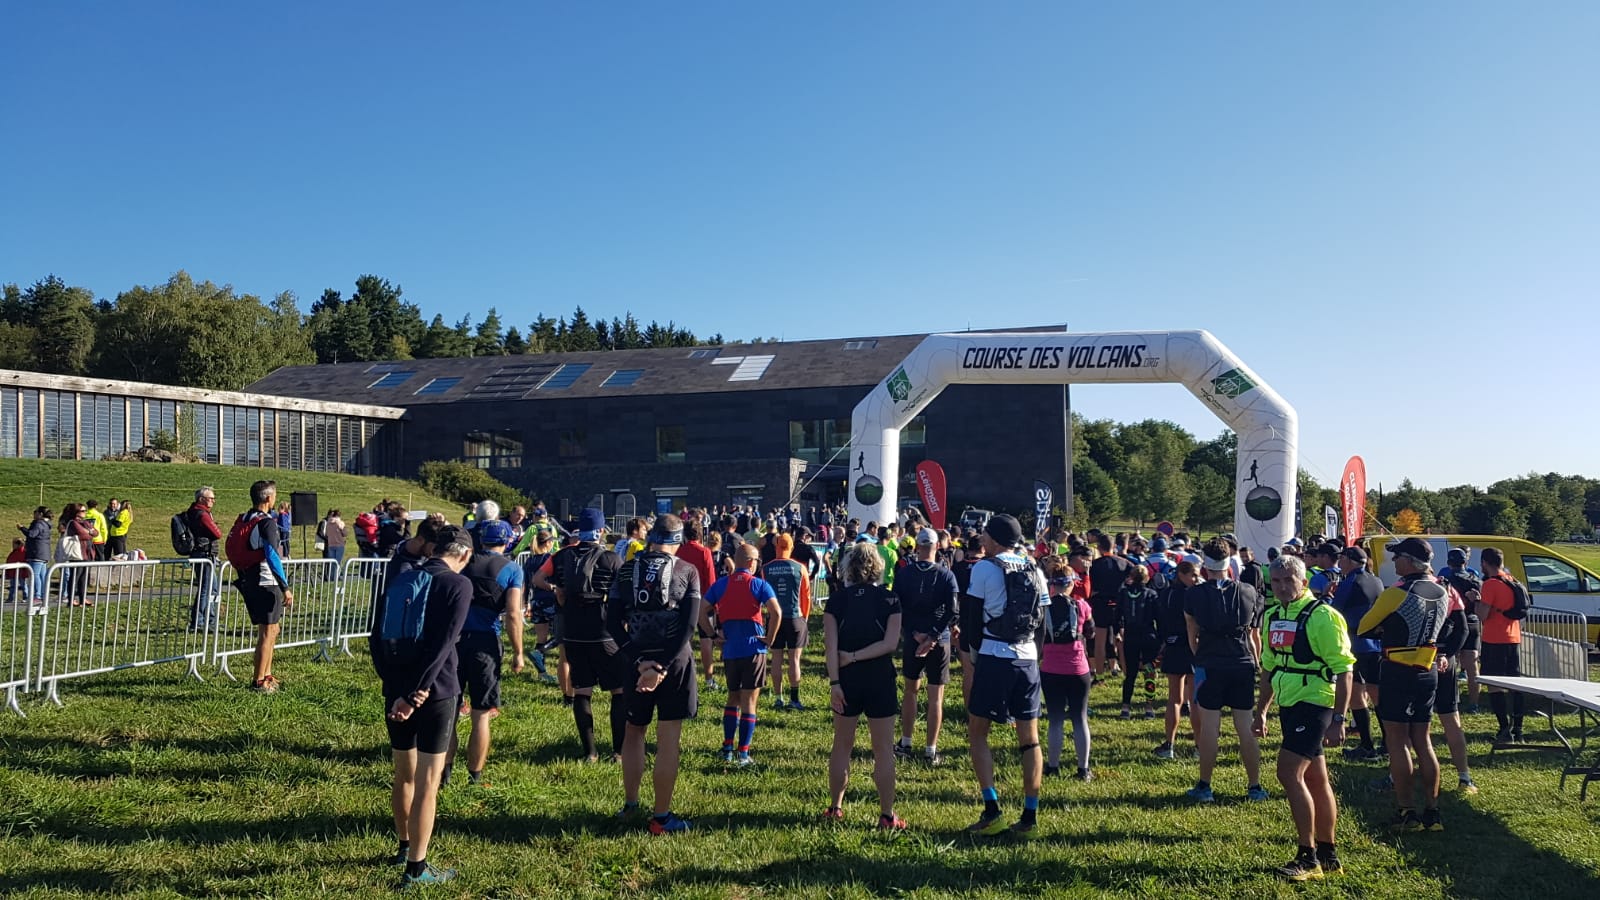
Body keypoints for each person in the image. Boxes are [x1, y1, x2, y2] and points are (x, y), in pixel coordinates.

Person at [372, 524, 474, 888]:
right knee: (429, 782)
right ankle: (417, 868)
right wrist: (417, 692)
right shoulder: (458, 585)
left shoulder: (403, 577)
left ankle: (403, 845)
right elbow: (444, 646)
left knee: (404, 772)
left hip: (396, 688)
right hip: (437, 691)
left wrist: (396, 689)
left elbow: (376, 635)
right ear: (462, 554)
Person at [1252, 555, 1356, 881]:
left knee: (1288, 774)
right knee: (1316, 779)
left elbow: (1344, 669)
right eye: (1277, 582)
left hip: (1316, 703)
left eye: (1288, 580)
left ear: (1304, 582)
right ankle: (1327, 854)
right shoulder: (1272, 616)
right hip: (1290, 703)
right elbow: (1270, 667)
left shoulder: (1323, 616)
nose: (1282, 587)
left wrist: (1340, 718)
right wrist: (1262, 710)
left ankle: (1307, 857)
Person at [1358, 536, 1466, 833]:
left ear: (1409, 561)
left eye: (1397, 558)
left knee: (1397, 740)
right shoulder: (1445, 588)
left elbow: (1365, 626)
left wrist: (1386, 626)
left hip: (1398, 668)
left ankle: (1407, 812)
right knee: (1423, 740)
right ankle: (1433, 812)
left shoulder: (1398, 591)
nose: (1394, 563)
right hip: (1428, 667)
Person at [608, 514, 702, 834]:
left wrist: (639, 663)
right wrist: (660, 666)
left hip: (635, 660)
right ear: (678, 541)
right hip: (673, 663)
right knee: (668, 738)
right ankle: (661, 817)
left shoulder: (625, 570)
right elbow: (688, 627)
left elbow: (611, 623)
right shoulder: (687, 570)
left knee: (634, 731)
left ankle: (631, 804)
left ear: (650, 538)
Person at [964, 514, 1048, 837]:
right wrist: (1034, 657)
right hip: (1027, 659)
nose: (981, 540)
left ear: (996, 540)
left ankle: (992, 810)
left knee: (978, 732)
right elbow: (1042, 622)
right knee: (1030, 740)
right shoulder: (1034, 568)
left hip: (993, 654)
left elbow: (972, 619)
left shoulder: (983, 568)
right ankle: (1029, 817)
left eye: (985, 535)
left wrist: (973, 658)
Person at [823, 543, 906, 829]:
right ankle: (886, 815)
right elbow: (890, 644)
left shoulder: (836, 601)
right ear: (878, 568)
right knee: (883, 749)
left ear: (849, 568)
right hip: (880, 678)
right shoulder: (890, 600)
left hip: (846, 679)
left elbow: (830, 646)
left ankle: (835, 807)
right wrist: (858, 656)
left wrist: (835, 680)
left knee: (841, 746)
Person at [534, 509, 627, 762]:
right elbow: (624, 594)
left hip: (573, 631)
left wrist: (556, 588)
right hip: (604, 631)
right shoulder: (611, 558)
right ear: (599, 531)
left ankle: (590, 752)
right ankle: (618, 752)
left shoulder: (562, 556)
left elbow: (537, 578)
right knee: (618, 691)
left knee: (582, 691)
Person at [1183, 537, 1267, 803]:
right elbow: (1255, 635)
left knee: (1210, 727)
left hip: (1210, 663)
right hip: (1242, 662)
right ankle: (1254, 786)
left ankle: (1205, 786)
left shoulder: (1193, 594)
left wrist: (1202, 657)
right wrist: (1256, 661)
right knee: (1245, 727)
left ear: (1204, 565)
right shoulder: (1249, 591)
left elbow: (1191, 633)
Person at [444, 519, 525, 787]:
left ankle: (442, 774)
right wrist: (518, 652)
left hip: (453, 641)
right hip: (485, 644)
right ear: (507, 541)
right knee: (481, 714)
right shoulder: (512, 569)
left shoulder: (464, 561)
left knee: (450, 710)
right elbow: (513, 613)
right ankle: (474, 778)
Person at [701, 543, 781, 765]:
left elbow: (701, 611)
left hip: (731, 650)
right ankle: (743, 753)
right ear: (751, 562)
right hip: (754, 649)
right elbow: (776, 612)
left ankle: (727, 747)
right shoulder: (759, 585)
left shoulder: (721, 585)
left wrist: (712, 635)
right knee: (750, 701)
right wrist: (770, 639)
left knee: (732, 697)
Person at [894, 528, 959, 766]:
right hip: (939, 639)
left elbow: (897, 607)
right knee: (936, 697)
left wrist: (914, 633)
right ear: (937, 547)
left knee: (911, 690)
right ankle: (931, 750)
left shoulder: (904, 574)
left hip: (914, 636)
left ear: (917, 547)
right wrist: (932, 636)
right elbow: (953, 611)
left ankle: (906, 741)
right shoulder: (946, 575)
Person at [227, 480, 295, 694]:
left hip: (250, 578)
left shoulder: (246, 518)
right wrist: (285, 586)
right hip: (266, 581)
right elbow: (273, 556)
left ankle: (267, 674)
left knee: (273, 629)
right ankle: (258, 681)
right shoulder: (266, 523)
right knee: (267, 632)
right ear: (268, 498)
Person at [1039, 555, 1095, 779]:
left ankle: (1053, 766)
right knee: (1080, 718)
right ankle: (1083, 769)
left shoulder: (1044, 607)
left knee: (1055, 720)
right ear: (1071, 584)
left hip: (1051, 668)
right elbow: (1090, 632)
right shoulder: (1082, 605)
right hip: (1078, 668)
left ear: (1051, 584)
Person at [1331, 545, 1385, 763]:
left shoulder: (1350, 581)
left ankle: (1367, 744)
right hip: (1375, 645)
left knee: (1356, 695)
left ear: (1350, 560)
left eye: (1341, 559)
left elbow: (1334, 611)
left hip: (1355, 644)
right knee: (1375, 694)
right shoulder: (1376, 580)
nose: (1339, 563)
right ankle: (1388, 742)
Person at [1477, 547, 1525, 743]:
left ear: (1484, 563)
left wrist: (1475, 601)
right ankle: (1518, 729)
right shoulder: (1512, 580)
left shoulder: (1489, 584)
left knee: (1494, 685)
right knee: (1516, 685)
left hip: (1494, 638)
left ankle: (1504, 729)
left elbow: (1482, 615)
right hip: (1513, 638)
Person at [1155, 560, 1200, 759]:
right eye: (1194, 575)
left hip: (1173, 646)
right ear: (1181, 574)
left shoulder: (1166, 594)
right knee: (1192, 700)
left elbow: (1161, 620)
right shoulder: (1193, 595)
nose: (1197, 579)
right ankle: (1198, 747)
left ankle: (1169, 745)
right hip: (1192, 647)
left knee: (1176, 698)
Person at [764, 533, 813, 711]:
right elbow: (806, 596)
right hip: (795, 617)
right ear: (791, 547)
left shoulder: (766, 569)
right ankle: (795, 698)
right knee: (794, 660)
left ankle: (778, 698)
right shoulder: (800, 568)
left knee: (776, 659)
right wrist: (805, 618)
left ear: (777, 546)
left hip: (774, 619)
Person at [1437, 548, 1484, 713]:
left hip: (1453, 623)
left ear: (1449, 563)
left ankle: (1450, 699)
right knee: (1472, 665)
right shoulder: (1476, 580)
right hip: (1473, 623)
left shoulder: (1446, 581)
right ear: (1465, 563)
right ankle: (1474, 703)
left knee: (1450, 662)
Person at [676, 519, 721, 692]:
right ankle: (709, 679)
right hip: (703, 600)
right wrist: (714, 604)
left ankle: (682, 676)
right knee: (706, 640)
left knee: (683, 640)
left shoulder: (678, 551)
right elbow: (711, 579)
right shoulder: (705, 552)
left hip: (681, 600)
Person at [1117, 565, 1162, 719]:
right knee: (1149, 672)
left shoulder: (1123, 593)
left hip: (1131, 636)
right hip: (1149, 636)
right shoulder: (1151, 594)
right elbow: (1158, 618)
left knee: (1130, 674)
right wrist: (1161, 638)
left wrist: (1119, 630)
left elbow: (1117, 615)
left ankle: (1125, 707)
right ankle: (1149, 707)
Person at [521, 530, 561, 685]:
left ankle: (542, 672)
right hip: (550, 600)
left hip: (536, 601)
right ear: (549, 543)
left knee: (541, 637)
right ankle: (540, 652)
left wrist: (525, 602)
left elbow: (525, 583)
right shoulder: (549, 559)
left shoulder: (529, 561)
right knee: (560, 634)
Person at [1088, 533, 1131, 678]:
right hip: (1119, 602)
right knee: (1121, 638)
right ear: (1114, 546)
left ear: (1099, 547)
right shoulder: (1124, 563)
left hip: (1100, 602)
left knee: (1100, 639)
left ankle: (1099, 673)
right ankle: (1127, 671)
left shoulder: (1095, 565)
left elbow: (1091, 587)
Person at [185, 487, 224, 630]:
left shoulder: (193, 511)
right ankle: (199, 621)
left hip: (202, 553)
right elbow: (217, 533)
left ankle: (210, 619)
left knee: (212, 588)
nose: (213, 501)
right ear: (201, 499)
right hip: (204, 553)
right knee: (206, 588)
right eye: (210, 498)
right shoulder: (202, 514)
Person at [56, 503, 96, 606]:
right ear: (77, 512)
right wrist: (89, 532)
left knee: (83, 577)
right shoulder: (73, 523)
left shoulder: (85, 522)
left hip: (86, 553)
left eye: (85, 510)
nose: (85, 512)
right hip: (77, 553)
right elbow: (84, 535)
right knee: (75, 576)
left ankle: (83, 599)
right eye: (83, 511)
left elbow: (96, 533)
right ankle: (71, 599)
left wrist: (89, 531)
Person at [19, 506, 52, 614]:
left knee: (35, 574)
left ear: (40, 514)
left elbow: (32, 534)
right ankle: (42, 595)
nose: (34, 514)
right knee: (42, 576)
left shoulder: (38, 524)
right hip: (44, 553)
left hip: (36, 553)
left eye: (35, 512)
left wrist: (22, 528)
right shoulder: (46, 525)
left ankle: (37, 596)